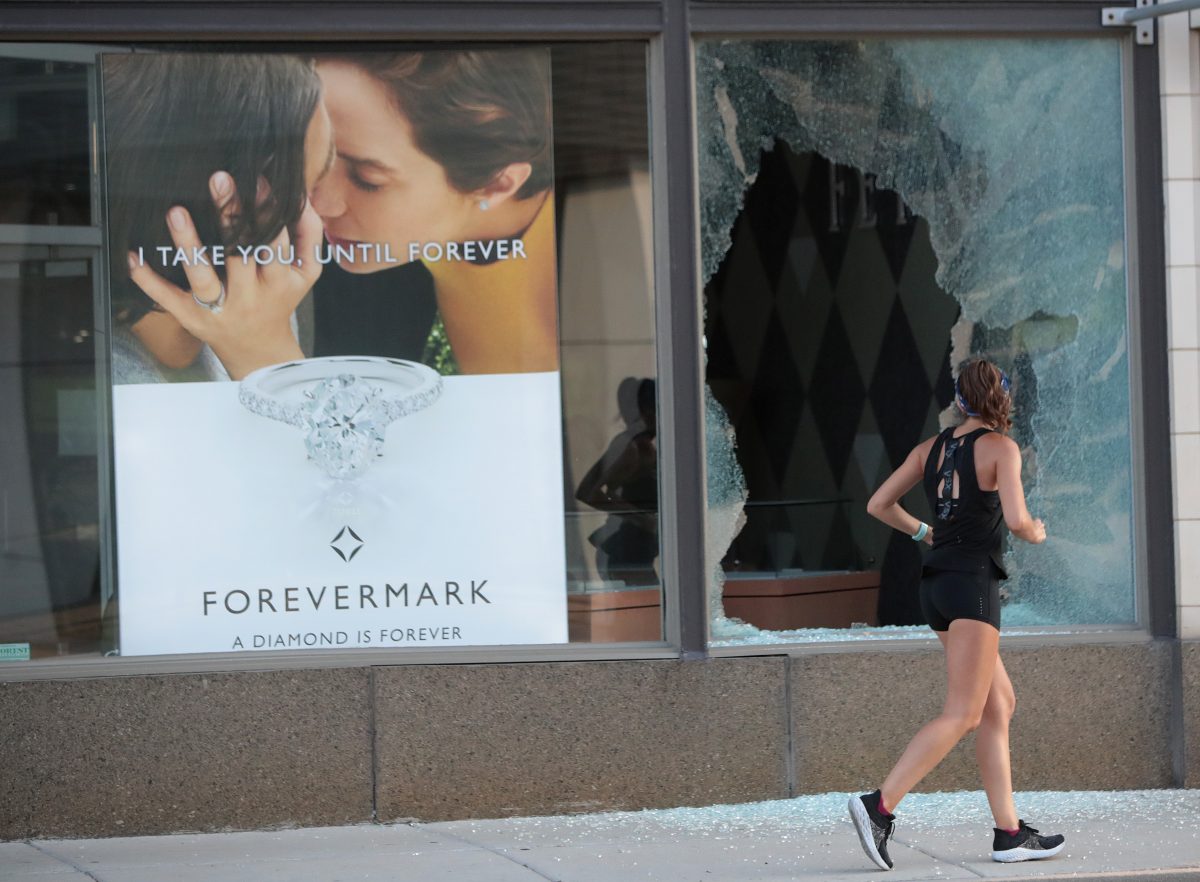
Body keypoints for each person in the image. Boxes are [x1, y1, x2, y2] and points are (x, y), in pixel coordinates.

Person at [849, 358, 1063, 870]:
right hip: (972, 587)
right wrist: (1036, 530)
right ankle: (878, 806)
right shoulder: (1002, 449)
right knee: (965, 712)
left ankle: (1009, 833)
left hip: (937, 586)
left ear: (960, 398)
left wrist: (924, 532)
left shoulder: (932, 448)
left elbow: (878, 503)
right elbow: (1015, 521)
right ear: (1001, 399)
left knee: (998, 702)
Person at [309, 50, 557, 375]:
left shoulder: (560, 296)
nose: (317, 203)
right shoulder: (416, 234)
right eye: (314, 153)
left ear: (495, 185)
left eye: (367, 181)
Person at [109, 53, 334, 382]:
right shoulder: (111, 378)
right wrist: (268, 357)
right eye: (299, 201)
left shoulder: (272, 293)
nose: (318, 223)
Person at [575, 378, 658, 585]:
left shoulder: (642, 444)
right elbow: (588, 492)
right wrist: (642, 519)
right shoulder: (632, 447)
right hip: (626, 548)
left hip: (637, 545)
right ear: (647, 411)